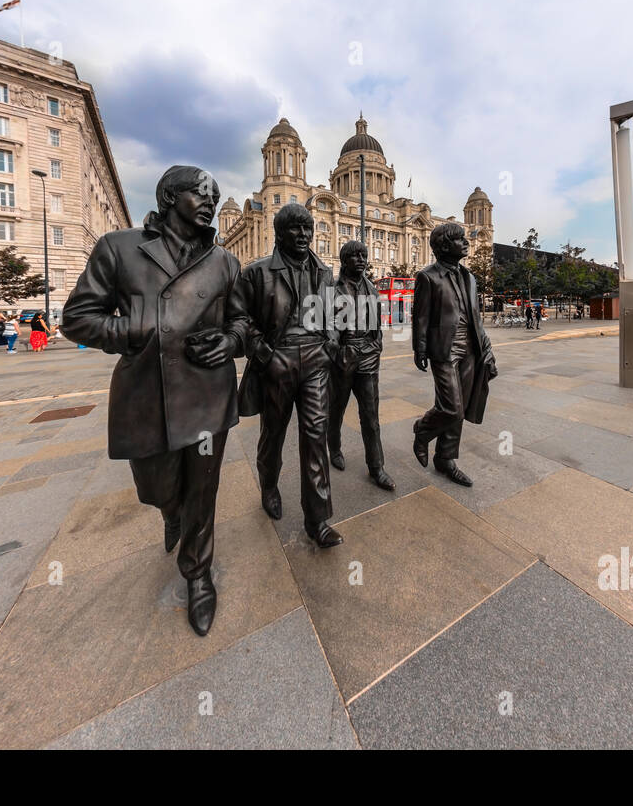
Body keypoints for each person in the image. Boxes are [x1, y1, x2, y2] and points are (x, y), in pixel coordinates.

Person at [61, 164, 243, 637]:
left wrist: (231, 341)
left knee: (203, 490)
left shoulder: (224, 261)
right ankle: (169, 513)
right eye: (200, 193)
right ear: (168, 196)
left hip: (208, 393)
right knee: (158, 487)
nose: (211, 202)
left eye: (216, 196)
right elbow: (78, 318)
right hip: (147, 393)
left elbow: (243, 321)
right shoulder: (119, 248)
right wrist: (137, 330)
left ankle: (198, 574)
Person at [228, 202, 343, 548]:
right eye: (295, 228)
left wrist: (330, 347)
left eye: (308, 228)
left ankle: (318, 519)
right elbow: (240, 319)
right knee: (273, 435)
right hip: (277, 362)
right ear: (279, 233)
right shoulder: (256, 273)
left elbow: (335, 316)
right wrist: (265, 354)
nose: (304, 235)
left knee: (315, 437)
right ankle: (269, 485)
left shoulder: (323, 273)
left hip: (315, 361)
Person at [411, 223, 498, 487]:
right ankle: (422, 431)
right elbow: (421, 317)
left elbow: (476, 317)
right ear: (444, 245)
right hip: (444, 348)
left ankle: (446, 459)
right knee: (451, 407)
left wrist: (487, 347)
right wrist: (420, 348)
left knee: (461, 407)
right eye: (459, 239)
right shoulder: (428, 277)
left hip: (471, 347)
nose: (466, 242)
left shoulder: (470, 277)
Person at [327, 240, 395, 491]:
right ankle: (334, 447)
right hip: (343, 356)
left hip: (368, 356)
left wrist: (377, 345)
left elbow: (377, 323)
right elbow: (327, 324)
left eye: (363, 255)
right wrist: (336, 350)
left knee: (370, 416)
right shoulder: (331, 288)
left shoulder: (372, 288)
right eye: (355, 255)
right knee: (336, 409)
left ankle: (377, 467)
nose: (361, 259)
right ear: (344, 260)